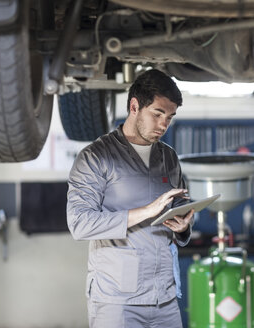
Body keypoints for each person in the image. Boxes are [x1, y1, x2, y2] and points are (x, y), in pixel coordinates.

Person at [66, 69, 194, 328]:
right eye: (157, 114)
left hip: (164, 296)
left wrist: (184, 227)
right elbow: (79, 223)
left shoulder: (168, 157)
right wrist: (146, 211)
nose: (163, 125)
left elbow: (180, 207)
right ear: (134, 106)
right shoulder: (96, 157)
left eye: (169, 117)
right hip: (117, 300)